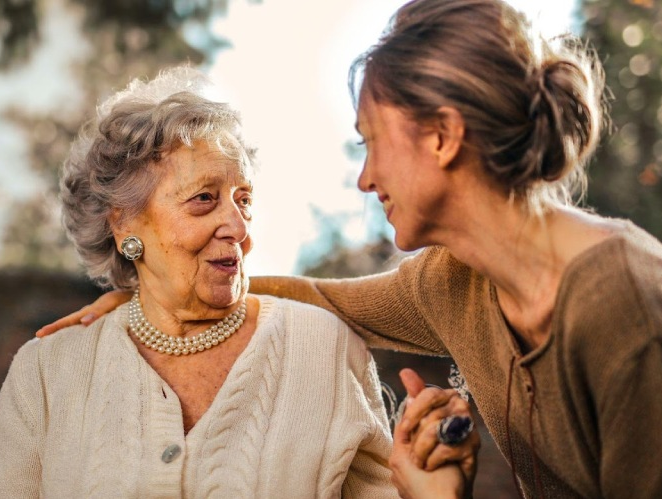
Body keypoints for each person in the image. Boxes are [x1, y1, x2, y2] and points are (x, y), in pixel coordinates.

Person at [37, 0, 662, 496]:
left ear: (442, 137)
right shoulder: (453, 281)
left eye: (370, 141)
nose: (365, 178)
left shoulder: (625, 306)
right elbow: (317, 297)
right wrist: (151, 293)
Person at [0, 66, 478, 498]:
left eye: (243, 199)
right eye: (205, 198)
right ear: (124, 225)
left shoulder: (324, 347)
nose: (239, 226)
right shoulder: (46, 373)